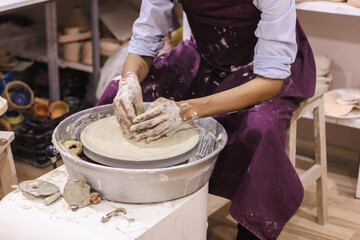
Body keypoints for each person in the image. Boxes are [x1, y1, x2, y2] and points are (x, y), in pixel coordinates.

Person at [97, 0, 316, 239]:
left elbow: (270, 82)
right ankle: (127, 214)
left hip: (265, 72)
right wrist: (129, 81)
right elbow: (143, 46)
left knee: (260, 126)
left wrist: (185, 110)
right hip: (207, 58)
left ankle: (250, 233)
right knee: (120, 96)